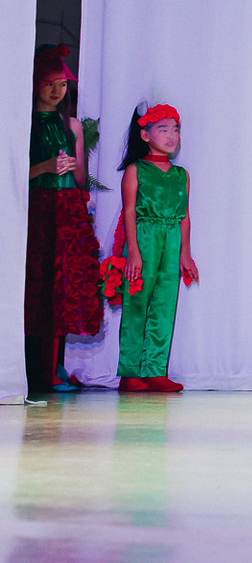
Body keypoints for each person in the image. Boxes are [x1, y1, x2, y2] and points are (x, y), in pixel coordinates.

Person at [23, 46, 101, 394]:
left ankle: (54, 367)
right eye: (49, 83)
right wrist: (45, 167)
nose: (57, 91)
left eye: (63, 84)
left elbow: (82, 179)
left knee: (65, 289)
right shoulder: (23, 122)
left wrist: (73, 166)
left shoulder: (72, 125)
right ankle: (35, 369)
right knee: (38, 289)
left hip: (68, 212)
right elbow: (14, 175)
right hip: (38, 211)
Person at [109, 104, 198, 393]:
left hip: (171, 239)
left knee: (164, 304)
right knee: (137, 302)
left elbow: (184, 216)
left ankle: (155, 370)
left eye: (176, 130)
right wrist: (133, 251)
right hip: (144, 237)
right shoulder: (136, 170)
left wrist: (185, 254)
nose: (172, 136)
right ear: (145, 135)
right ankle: (130, 372)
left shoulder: (181, 174)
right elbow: (129, 211)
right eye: (163, 129)